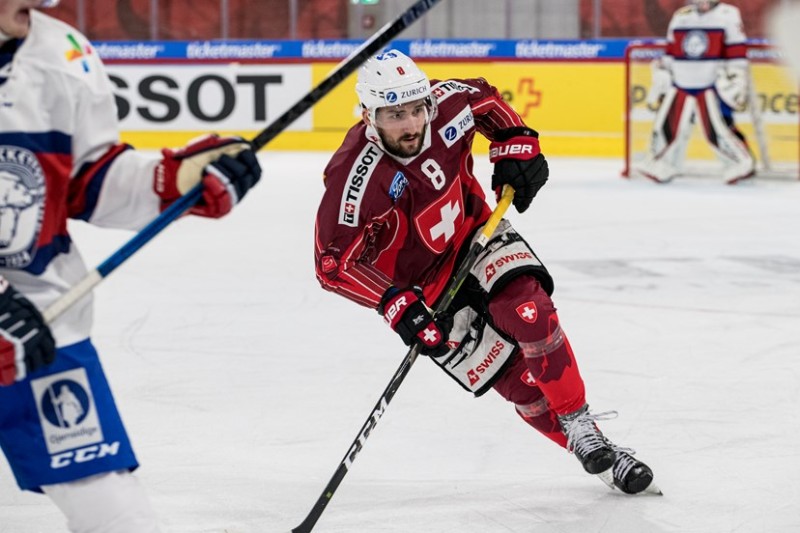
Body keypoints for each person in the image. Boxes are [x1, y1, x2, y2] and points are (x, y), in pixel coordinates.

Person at [314, 49, 660, 496]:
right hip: (426, 291)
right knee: (522, 388)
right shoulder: (354, 179)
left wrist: (515, 142)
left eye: (417, 109)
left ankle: (579, 423)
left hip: (478, 233)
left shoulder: (446, 104)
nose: (412, 124)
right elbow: (333, 264)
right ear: (368, 115)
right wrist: (394, 302)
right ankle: (602, 453)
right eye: (395, 114)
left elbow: (487, 100)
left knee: (530, 310)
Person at [0, 1, 261, 532]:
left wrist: (175, 181)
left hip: (37, 328)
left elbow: (86, 181)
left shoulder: (60, 54)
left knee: (119, 515)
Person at [634, 0, 755, 184]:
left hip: (711, 85)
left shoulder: (728, 15)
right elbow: (670, 51)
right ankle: (663, 164)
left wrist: (737, 78)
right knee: (667, 127)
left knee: (718, 130)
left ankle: (740, 163)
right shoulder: (681, 17)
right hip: (681, 84)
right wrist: (663, 72)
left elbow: (736, 53)